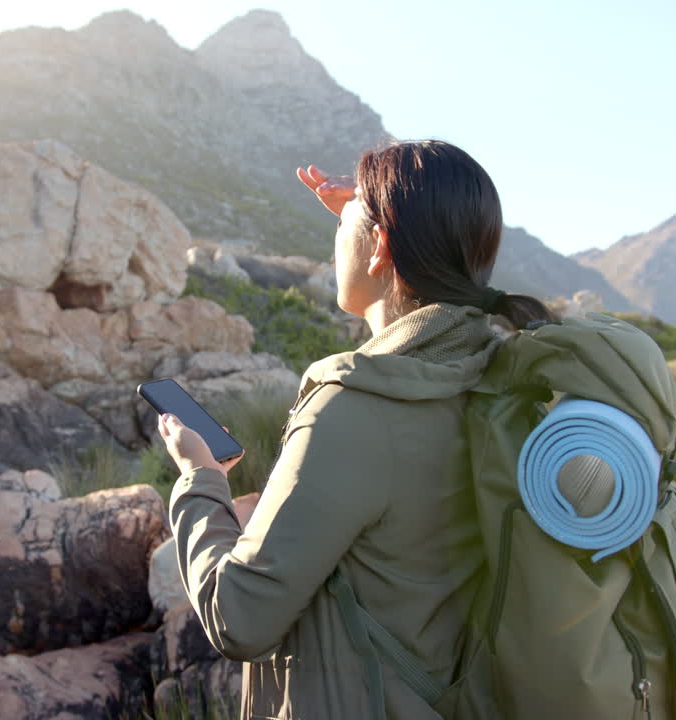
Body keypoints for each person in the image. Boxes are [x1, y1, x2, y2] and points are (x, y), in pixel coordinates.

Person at [158, 140, 556, 719]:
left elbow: (237, 618)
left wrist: (199, 478)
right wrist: (369, 220)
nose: (334, 235)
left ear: (382, 248)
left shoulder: (353, 412)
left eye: (347, 225)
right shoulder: (492, 380)